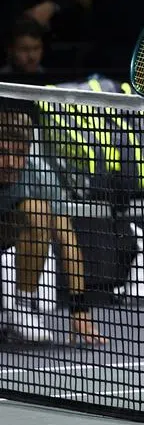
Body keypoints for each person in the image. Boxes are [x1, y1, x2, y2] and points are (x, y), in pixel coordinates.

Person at [0, 110, 104, 345]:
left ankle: (22, 309)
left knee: (37, 210)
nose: (10, 163)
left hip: (9, 238)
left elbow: (67, 239)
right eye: (2, 153)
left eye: (19, 154)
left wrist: (79, 309)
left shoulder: (40, 174)